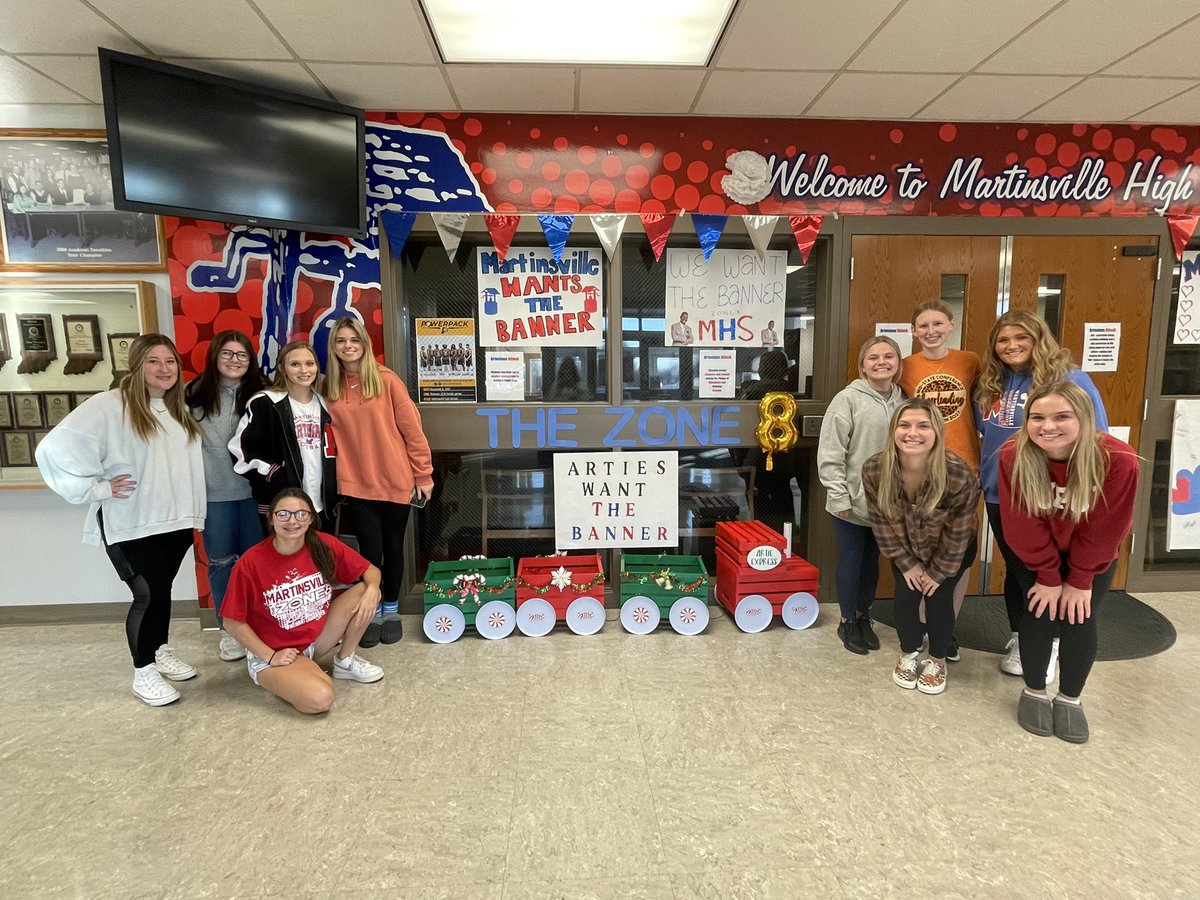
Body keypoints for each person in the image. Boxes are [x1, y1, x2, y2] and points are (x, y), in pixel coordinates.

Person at [35, 334, 205, 707]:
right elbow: (53, 448)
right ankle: (143, 671)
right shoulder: (109, 406)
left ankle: (159, 650)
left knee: (162, 591)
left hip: (174, 522)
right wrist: (96, 488)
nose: (164, 369)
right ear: (137, 365)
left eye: (170, 362)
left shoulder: (179, 410)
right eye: (153, 362)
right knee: (146, 594)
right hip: (130, 523)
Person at [1000, 382, 1138, 743]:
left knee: (1081, 616)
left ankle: (1070, 699)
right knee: (1040, 614)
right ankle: (1033, 691)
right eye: (1037, 417)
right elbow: (1020, 522)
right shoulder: (1013, 455)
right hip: (1037, 551)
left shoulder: (1118, 460)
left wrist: (1079, 581)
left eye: (1062, 417)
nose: (1048, 426)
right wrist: (1047, 576)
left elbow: (1108, 527)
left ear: (1085, 419)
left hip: (1091, 555)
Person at [977, 309, 1108, 680]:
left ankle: (1048, 644)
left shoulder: (1071, 380)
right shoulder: (990, 384)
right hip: (1001, 494)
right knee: (1019, 571)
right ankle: (1024, 637)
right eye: (1003, 340)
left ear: (1039, 339)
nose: (1011, 345)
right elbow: (984, 435)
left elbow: (1097, 439)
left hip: (1053, 494)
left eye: (1021, 337)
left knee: (1046, 574)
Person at [221, 488, 384, 714]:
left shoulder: (322, 544)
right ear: (271, 518)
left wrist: (373, 589)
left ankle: (344, 660)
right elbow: (232, 622)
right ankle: (298, 674)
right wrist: (271, 656)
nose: (292, 521)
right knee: (320, 700)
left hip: (314, 641)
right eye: (283, 514)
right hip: (274, 653)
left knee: (366, 589)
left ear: (310, 519)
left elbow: (371, 571)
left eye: (301, 514)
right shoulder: (251, 562)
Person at [325, 317, 434, 646]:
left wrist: (423, 474)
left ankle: (391, 610)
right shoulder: (327, 387)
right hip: (356, 484)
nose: (348, 346)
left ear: (364, 344)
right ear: (334, 347)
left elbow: (413, 432)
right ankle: (369, 613)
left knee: (392, 549)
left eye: (354, 340)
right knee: (369, 553)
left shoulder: (387, 381)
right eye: (341, 340)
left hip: (394, 480)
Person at [863, 399, 979, 694]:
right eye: (904, 425)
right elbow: (880, 522)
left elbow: (959, 532)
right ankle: (909, 654)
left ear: (937, 432)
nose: (912, 433)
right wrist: (906, 562)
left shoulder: (958, 473)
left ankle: (937, 661)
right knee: (905, 597)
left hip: (952, 549)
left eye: (923, 426)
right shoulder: (875, 469)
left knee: (939, 600)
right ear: (893, 431)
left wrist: (938, 573)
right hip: (906, 548)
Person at [898, 299, 981, 662]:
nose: (930, 331)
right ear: (914, 332)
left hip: (965, 469)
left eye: (937, 324)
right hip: (922, 470)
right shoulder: (906, 367)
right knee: (921, 552)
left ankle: (946, 631)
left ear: (950, 325)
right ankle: (921, 628)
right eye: (923, 326)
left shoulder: (971, 361)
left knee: (957, 557)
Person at [817, 336, 905, 654]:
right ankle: (846, 621)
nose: (881, 362)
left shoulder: (903, 399)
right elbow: (831, 452)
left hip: (887, 503)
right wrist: (839, 495)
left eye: (889, 356)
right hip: (850, 501)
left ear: (898, 362)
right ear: (863, 365)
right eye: (873, 357)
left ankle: (862, 616)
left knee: (872, 562)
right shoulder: (847, 400)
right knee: (852, 559)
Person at [185, 331, 269, 662]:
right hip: (213, 495)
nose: (234, 360)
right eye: (227, 354)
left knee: (254, 563)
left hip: (253, 494)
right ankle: (229, 630)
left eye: (242, 355)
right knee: (220, 563)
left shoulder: (263, 393)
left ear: (250, 361)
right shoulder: (193, 394)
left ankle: (257, 627)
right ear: (215, 356)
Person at [228, 341, 338, 531]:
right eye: (295, 364)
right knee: (284, 560)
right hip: (280, 506)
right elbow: (239, 451)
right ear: (282, 368)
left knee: (319, 559)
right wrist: (274, 474)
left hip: (321, 506)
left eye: (310, 364)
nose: (304, 370)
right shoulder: (265, 403)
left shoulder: (325, 405)